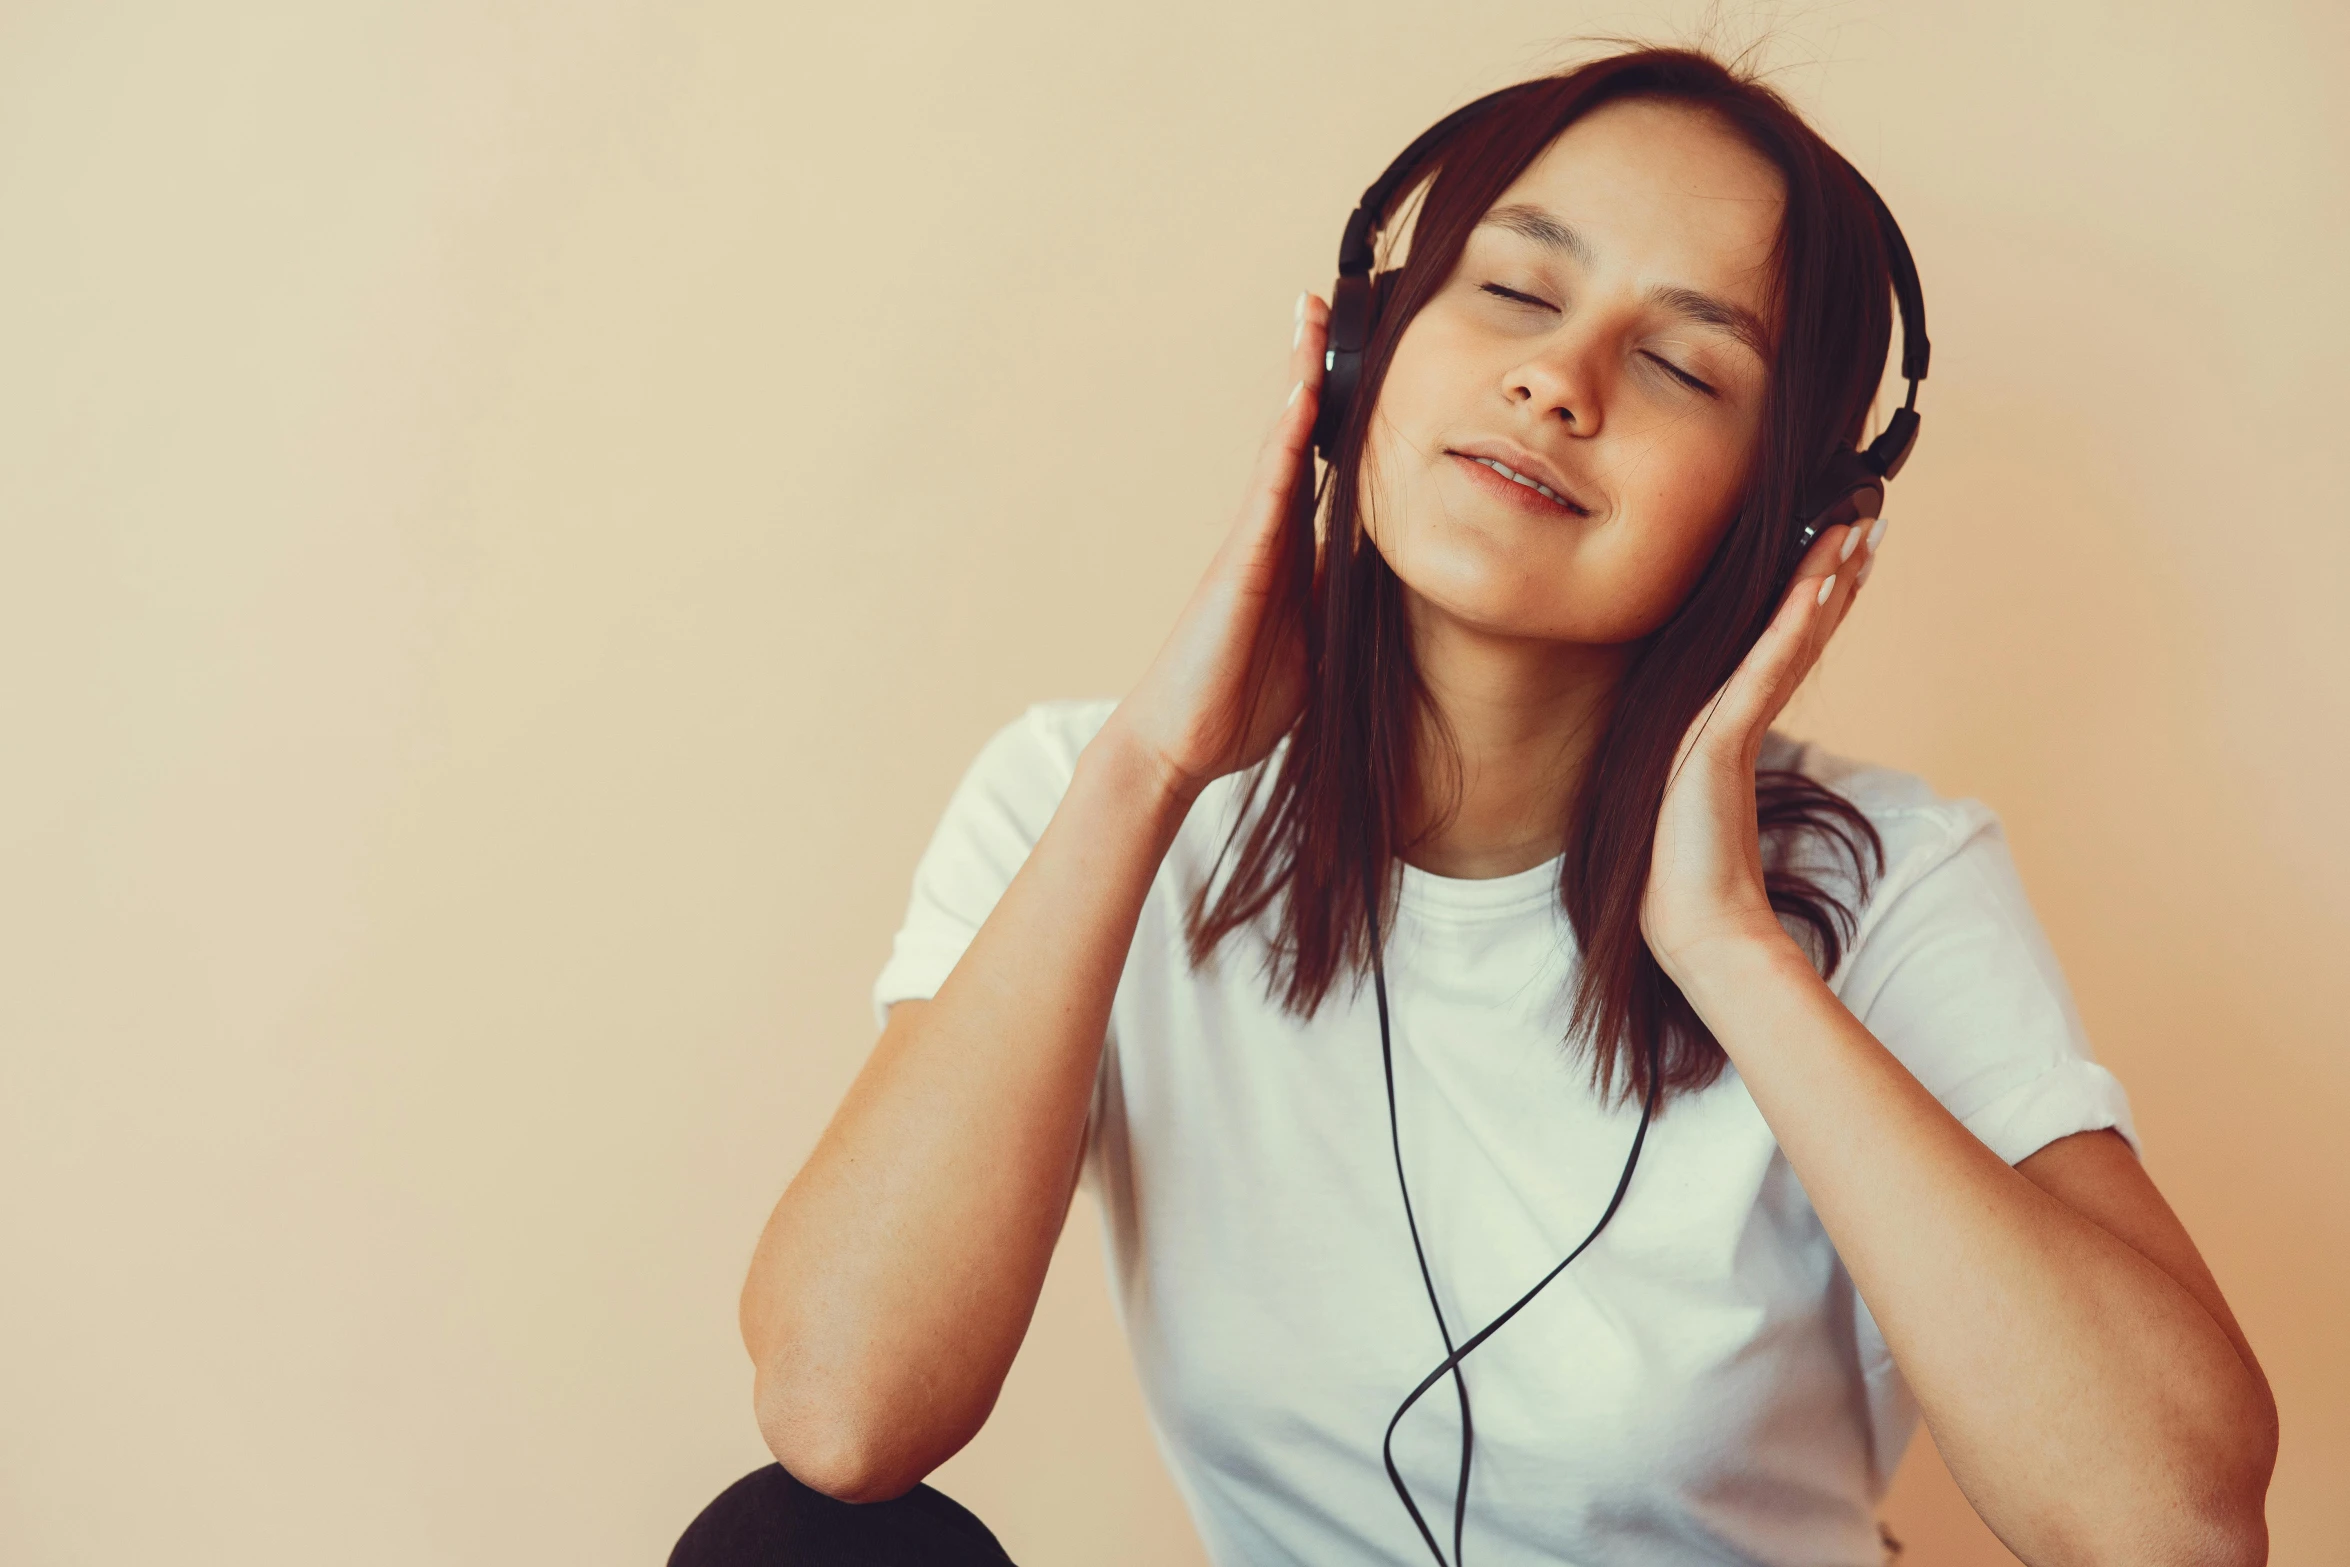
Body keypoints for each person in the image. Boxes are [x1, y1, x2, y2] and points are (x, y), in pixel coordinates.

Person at [675, 44, 2277, 1567]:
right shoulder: (1085, 796)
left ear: (1785, 521)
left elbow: (2173, 1523)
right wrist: (1150, 769)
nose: (1555, 381)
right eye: (1510, 288)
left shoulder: (1888, 881)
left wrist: (1729, 948)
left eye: (1677, 363)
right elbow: (841, 1410)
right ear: (1358, 352)